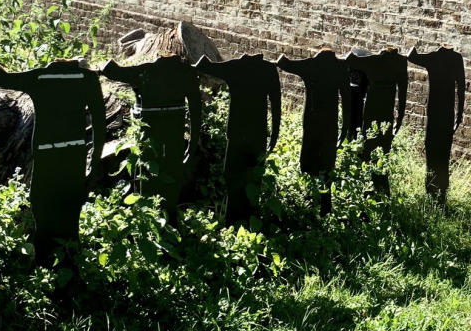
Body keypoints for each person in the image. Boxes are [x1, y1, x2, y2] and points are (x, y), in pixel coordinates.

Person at [0, 59, 107, 266]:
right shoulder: (87, 79)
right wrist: (94, 162)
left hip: (46, 153)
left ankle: (44, 261)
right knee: (70, 207)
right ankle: (70, 258)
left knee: (42, 204)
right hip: (75, 152)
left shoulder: (39, 77)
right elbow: (99, 122)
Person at [100, 55, 203, 224]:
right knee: (169, 171)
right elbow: (196, 112)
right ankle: (168, 218)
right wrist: (191, 147)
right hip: (173, 133)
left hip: (150, 133)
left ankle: (151, 218)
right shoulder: (185, 74)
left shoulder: (144, 71)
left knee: (148, 172)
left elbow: (110, 70)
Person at [195, 54, 280, 223]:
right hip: (258, 133)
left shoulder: (235, 67)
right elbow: (276, 105)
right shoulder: (269, 70)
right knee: (253, 177)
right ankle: (249, 217)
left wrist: (200, 61)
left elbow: (204, 66)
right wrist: (275, 135)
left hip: (236, 133)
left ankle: (232, 220)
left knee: (232, 175)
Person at [277, 49, 351, 214]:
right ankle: (325, 207)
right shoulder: (340, 68)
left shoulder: (310, 65)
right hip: (330, 125)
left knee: (307, 162)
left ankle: (308, 203)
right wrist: (344, 131)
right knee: (326, 165)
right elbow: (347, 105)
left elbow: (284, 63)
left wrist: (281, 57)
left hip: (311, 123)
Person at [344, 48, 408, 191]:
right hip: (386, 116)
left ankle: (367, 188)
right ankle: (380, 188)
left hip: (371, 114)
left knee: (367, 149)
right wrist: (400, 120)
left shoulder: (372, 61)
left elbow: (349, 59)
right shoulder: (401, 62)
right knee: (382, 152)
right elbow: (403, 96)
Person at [407, 46, 465, 203]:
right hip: (447, 113)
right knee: (443, 152)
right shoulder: (456, 58)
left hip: (434, 112)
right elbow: (461, 88)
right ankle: (442, 192)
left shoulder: (432, 57)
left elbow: (411, 56)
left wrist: (418, 46)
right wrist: (459, 114)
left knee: (432, 149)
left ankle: (431, 189)